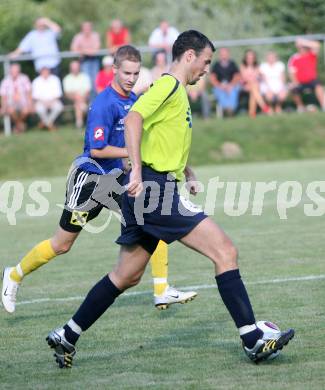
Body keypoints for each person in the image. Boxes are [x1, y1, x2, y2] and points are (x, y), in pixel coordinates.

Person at [45, 31, 294, 369]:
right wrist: (135, 174)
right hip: (153, 189)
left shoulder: (174, 92)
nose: (206, 69)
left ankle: (67, 334)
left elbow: (156, 137)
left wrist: (187, 171)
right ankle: (253, 339)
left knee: (127, 275)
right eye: (205, 61)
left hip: (152, 187)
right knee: (225, 251)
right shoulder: (169, 86)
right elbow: (134, 119)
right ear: (189, 55)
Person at [1, 46, 196, 318]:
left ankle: (161, 289)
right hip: (91, 180)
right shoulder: (104, 103)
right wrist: (132, 152)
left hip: (116, 181)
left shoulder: (133, 102)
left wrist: (187, 171)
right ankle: (14, 274)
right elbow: (97, 150)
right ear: (113, 70)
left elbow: (154, 141)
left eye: (136, 73)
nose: (131, 78)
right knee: (62, 244)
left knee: (152, 217)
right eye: (126, 72)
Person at [288, 38, 325, 112]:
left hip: (312, 81)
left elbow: (317, 45)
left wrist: (303, 42)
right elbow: (291, 72)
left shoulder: (311, 55)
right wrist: (295, 82)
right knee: (293, 88)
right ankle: (300, 107)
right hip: (300, 82)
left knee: (319, 87)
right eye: (300, 48)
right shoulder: (294, 58)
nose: (302, 49)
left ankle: (323, 106)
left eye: (303, 47)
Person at [71, 21, 101, 101]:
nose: (87, 29)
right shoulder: (78, 37)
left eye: (88, 28)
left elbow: (96, 50)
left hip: (94, 61)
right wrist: (89, 51)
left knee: (95, 82)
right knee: (87, 84)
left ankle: (94, 103)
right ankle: (88, 105)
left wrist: (82, 50)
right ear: (82, 29)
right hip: (84, 61)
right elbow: (73, 49)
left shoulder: (95, 35)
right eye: (85, 28)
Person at [0, 63, 33, 133]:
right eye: (13, 71)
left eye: (16, 71)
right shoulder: (5, 81)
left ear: (19, 71)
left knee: (26, 110)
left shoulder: (24, 78)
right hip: (10, 102)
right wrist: (3, 106)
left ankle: (17, 126)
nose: (14, 73)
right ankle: (20, 125)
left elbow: (29, 92)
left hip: (23, 102)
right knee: (10, 110)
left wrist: (30, 104)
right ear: (10, 72)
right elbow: (3, 96)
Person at [209, 47, 241, 116]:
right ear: (220, 55)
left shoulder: (233, 64)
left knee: (234, 90)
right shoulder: (216, 65)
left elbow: (237, 76)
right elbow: (212, 78)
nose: (223, 55)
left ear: (228, 54)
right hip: (219, 86)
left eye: (225, 54)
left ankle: (231, 108)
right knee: (220, 92)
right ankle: (226, 108)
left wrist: (230, 85)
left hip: (231, 85)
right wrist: (220, 86)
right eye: (222, 54)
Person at [240, 50, 270, 118]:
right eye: (248, 58)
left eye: (252, 58)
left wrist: (258, 78)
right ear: (245, 58)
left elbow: (261, 76)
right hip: (245, 86)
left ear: (254, 58)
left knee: (253, 90)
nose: (250, 59)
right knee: (254, 87)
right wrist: (253, 78)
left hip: (255, 86)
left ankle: (252, 113)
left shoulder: (257, 66)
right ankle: (264, 107)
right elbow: (244, 78)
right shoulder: (243, 66)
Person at [32, 67, 63, 131]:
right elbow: (35, 96)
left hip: (54, 100)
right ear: (40, 72)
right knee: (39, 108)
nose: (45, 73)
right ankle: (50, 124)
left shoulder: (55, 79)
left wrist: (51, 101)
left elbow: (59, 94)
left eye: (46, 72)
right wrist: (44, 102)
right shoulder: (36, 81)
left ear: (49, 72)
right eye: (44, 72)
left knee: (59, 107)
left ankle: (44, 123)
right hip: (41, 101)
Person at [63, 60, 91, 128]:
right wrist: (76, 97)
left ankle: (79, 124)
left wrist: (81, 98)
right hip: (71, 100)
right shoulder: (67, 78)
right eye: (73, 68)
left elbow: (88, 91)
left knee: (78, 104)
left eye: (76, 67)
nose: (75, 69)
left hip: (84, 99)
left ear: (79, 68)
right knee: (78, 104)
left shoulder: (85, 77)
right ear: (70, 68)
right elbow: (67, 94)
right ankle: (81, 121)